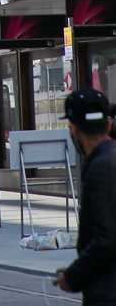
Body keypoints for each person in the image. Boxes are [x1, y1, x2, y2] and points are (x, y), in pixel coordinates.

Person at [53, 88, 116, 305]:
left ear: (74, 129)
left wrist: (74, 276)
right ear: (107, 124)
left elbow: (106, 239)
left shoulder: (100, 166)